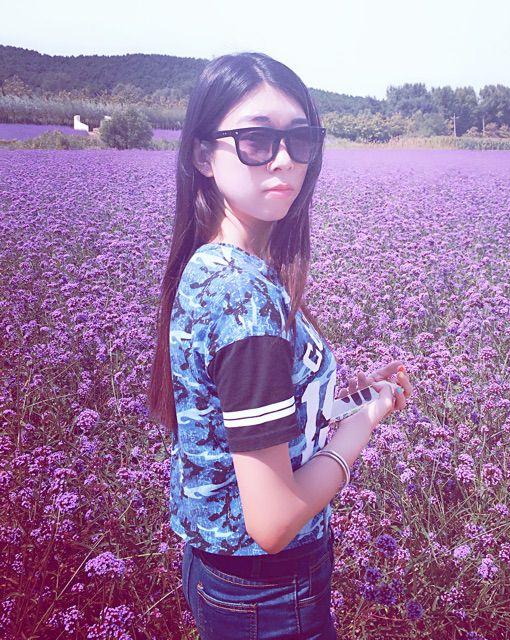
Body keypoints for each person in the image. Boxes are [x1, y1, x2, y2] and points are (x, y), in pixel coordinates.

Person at [147, 51, 413, 640]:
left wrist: (337, 402)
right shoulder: (246, 301)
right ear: (202, 154)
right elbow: (272, 522)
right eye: (256, 140)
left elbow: (244, 421)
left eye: (300, 138)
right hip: (267, 593)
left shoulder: (214, 265)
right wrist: (362, 424)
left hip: (224, 577)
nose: (284, 159)